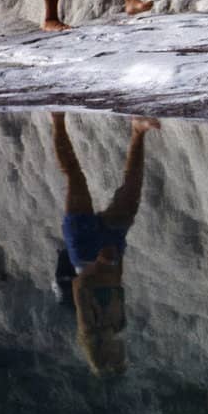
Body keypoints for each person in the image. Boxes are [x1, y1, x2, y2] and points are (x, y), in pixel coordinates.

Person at [52, 111, 159, 375]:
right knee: (132, 191)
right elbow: (117, 283)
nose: (123, 354)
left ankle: (57, 119)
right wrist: (116, 255)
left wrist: (100, 261)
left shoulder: (89, 327)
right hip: (112, 250)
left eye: (119, 358)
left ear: (106, 355)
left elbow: (80, 286)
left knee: (75, 178)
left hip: (85, 252)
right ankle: (138, 130)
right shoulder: (119, 323)